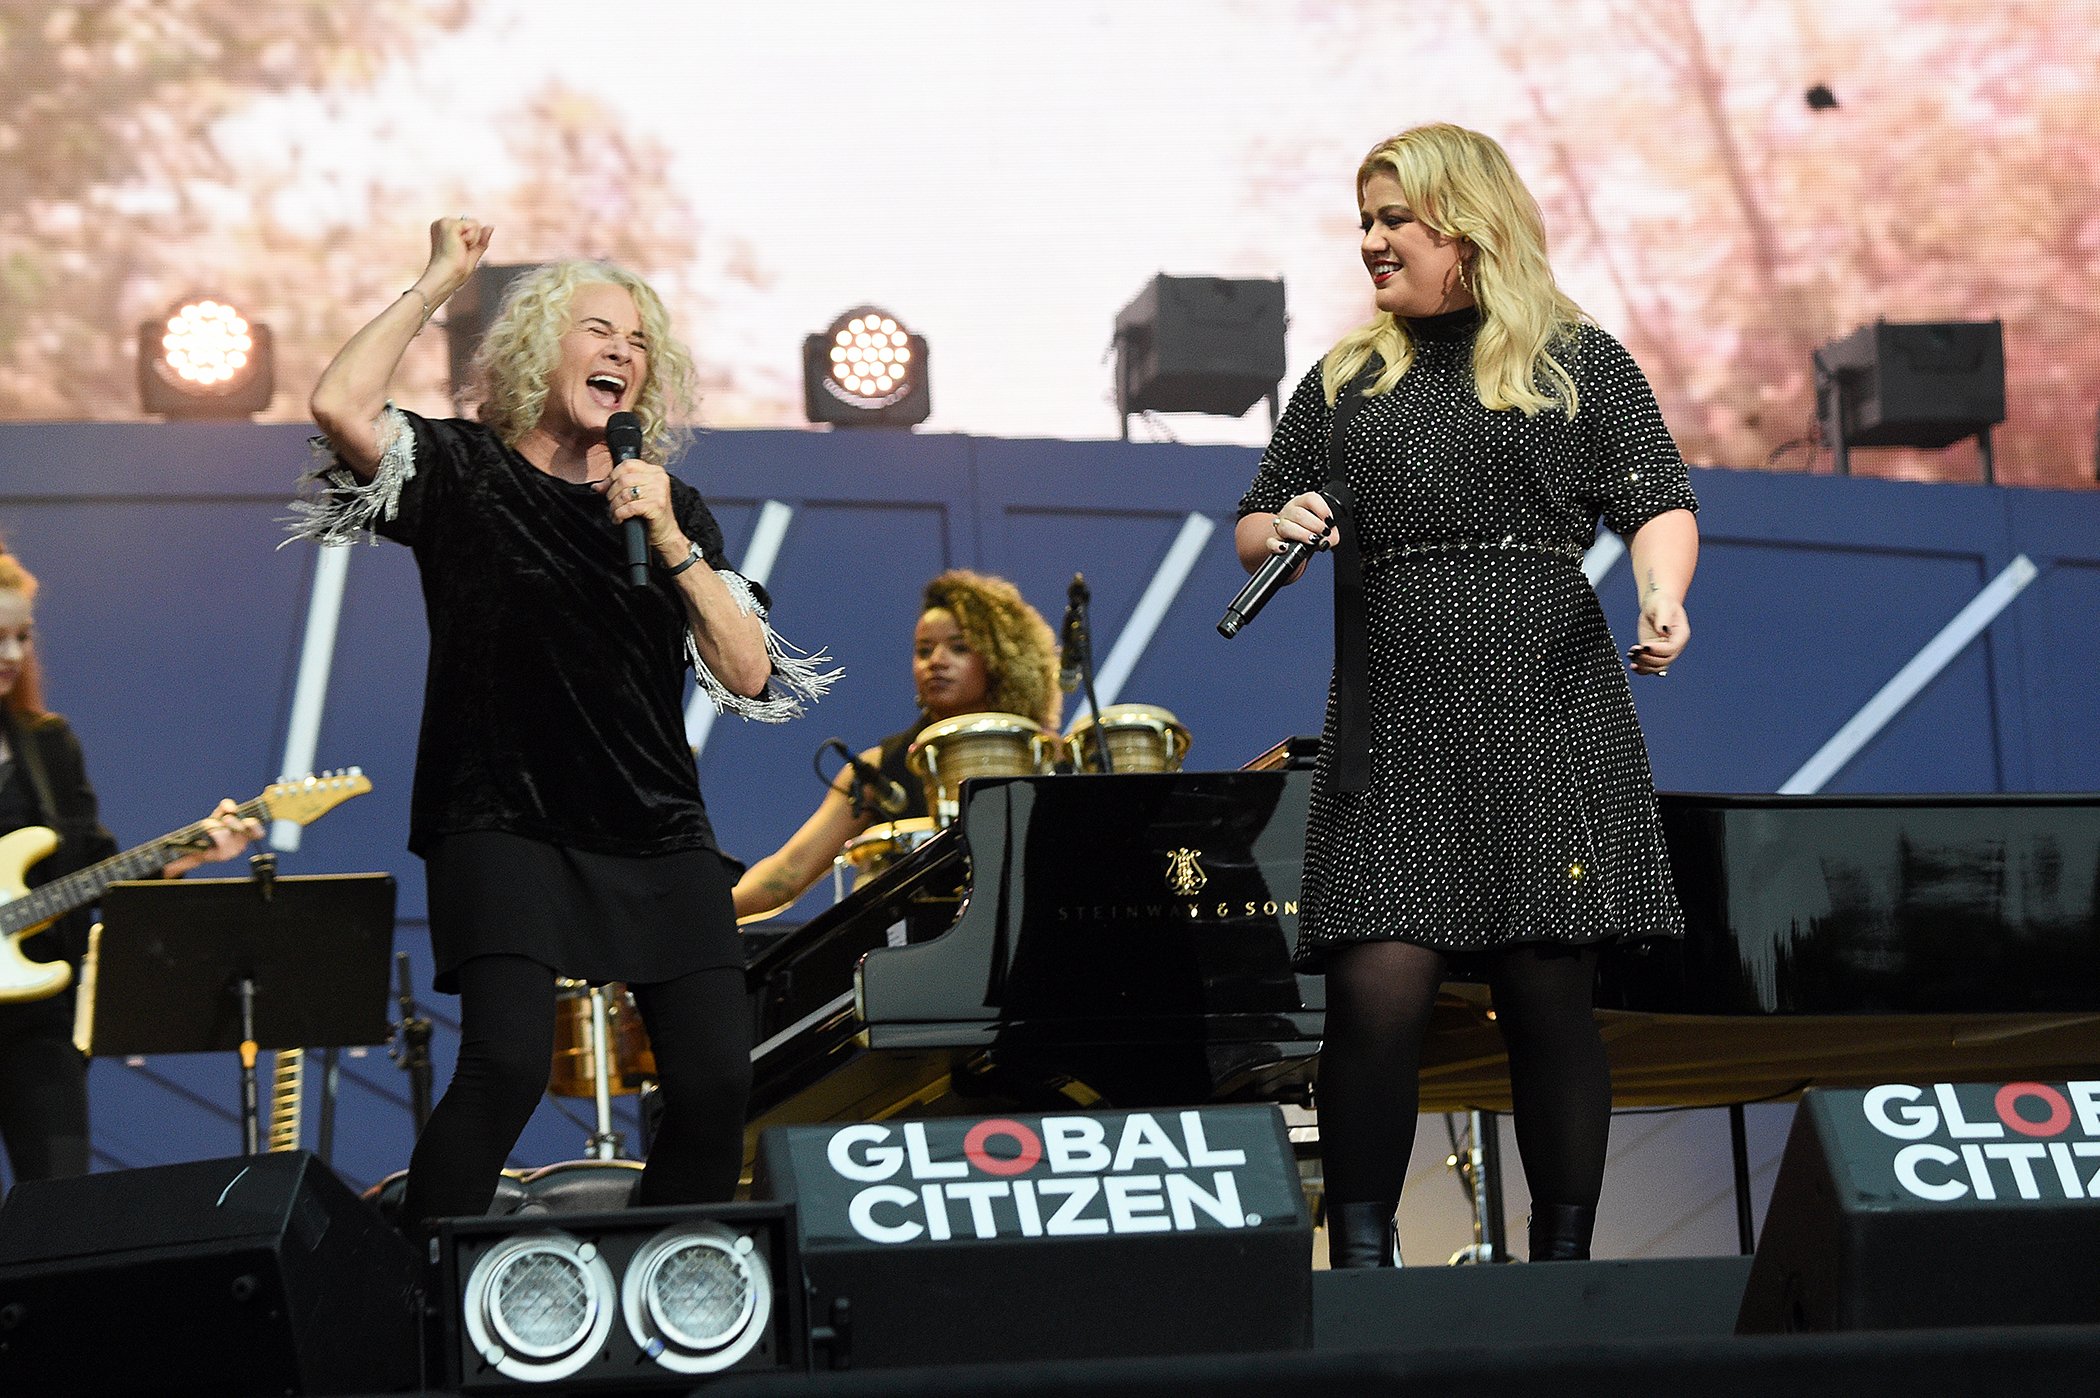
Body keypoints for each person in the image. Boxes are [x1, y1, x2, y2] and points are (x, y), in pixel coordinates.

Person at [295, 219, 833, 1231]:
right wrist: (439, 279)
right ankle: (426, 1316)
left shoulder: (670, 506)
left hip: (653, 822)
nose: (623, 355)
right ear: (544, 350)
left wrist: (668, 534)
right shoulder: (462, 472)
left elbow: (748, 669)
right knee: (502, 1068)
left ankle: (667, 1298)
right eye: (599, 332)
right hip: (501, 814)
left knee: (717, 1084)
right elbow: (337, 404)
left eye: (638, 344)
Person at [1234, 125, 1699, 1267]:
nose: (1372, 240)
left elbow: (1658, 498)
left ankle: (1565, 1272)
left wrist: (1661, 594)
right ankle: (1362, 1265)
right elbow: (1254, 517)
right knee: (1372, 1000)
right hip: (1395, 724)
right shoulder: (1347, 375)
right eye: (1365, 222)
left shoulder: (1578, 360)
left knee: (1550, 1002)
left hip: (1547, 706)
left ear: (1469, 223)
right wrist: (1279, 526)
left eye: (1395, 218)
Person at [0, 547, 260, 1191]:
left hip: (38, 1021)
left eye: (23, 636)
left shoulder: (47, 746)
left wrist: (191, 855)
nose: (12, 654)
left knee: (59, 1207)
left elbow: (94, 873)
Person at [731, 569, 1059, 921]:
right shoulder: (877, 770)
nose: (936, 661)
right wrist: (699, 918)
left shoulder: (1046, 759)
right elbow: (789, 873)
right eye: (924, 650)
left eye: (959, 647)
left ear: (1003, 661)